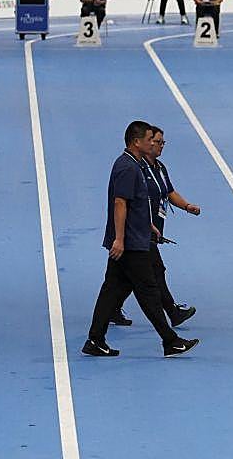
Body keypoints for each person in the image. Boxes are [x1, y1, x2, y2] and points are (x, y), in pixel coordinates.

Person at [81, 121, 198, 359]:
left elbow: (136, 204)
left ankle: (95, 340)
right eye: (149, 139)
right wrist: (120, 239)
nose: (153, 143)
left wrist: (148, 225)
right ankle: (170, 341)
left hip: (136, 236)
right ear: (136, 142)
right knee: (149, 291)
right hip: (131, 244)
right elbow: (120, 203)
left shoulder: (136, 166)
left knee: (112, 290)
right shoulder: (128, 168)